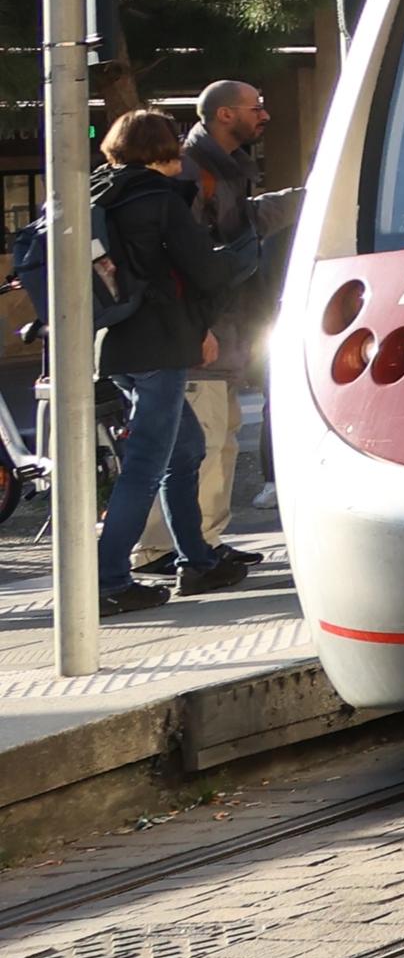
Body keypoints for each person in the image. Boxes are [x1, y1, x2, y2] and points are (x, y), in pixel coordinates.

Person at [92, 109, 257, 612]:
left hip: (115, 341)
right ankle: (108, 581)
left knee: (183, 451)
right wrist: (246, 254)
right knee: (146, 464)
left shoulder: (100, 192)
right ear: (166, 149)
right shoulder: (159, 199)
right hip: (157, 343)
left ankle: (197, 563)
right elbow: (205, 273)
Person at [145, 81, 275, 571]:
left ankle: (203, 542)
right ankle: (169, 549)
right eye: (255, 107)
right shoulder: (194, 173)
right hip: (204, 328)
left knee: (218, 438)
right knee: (200, 442)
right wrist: (199, 326)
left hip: (221, 324)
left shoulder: (220, 169)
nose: (264, 114)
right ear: (224, 114)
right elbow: (181, 261)